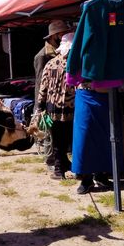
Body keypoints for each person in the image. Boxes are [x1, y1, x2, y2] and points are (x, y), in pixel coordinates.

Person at [34, 20, 72, 173]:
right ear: (55, 35)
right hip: (51, 104)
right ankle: (54, 164)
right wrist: (39, 106)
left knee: (60, 136)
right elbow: (40, 82)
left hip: (56, 104)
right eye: (62, 33)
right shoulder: (43, 56)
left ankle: (62, 163)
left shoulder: (58, 54)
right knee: (53, 136)